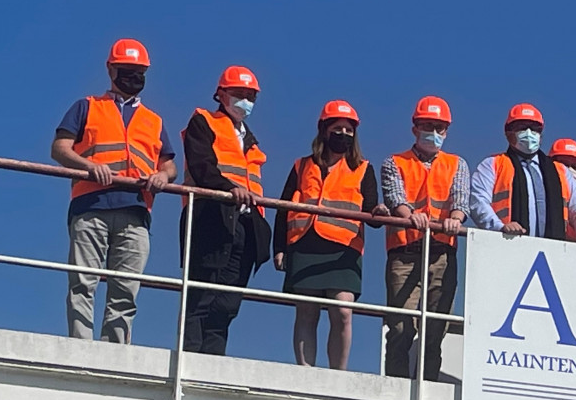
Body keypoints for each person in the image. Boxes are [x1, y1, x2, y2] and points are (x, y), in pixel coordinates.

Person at [51, 38, 176, 343]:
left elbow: (170, 166)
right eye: (128, 70)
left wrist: (163, 176)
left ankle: (114, 350)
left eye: (140, 71)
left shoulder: (153, 121)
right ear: (111, 69)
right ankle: (81, 345)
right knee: (83, 281)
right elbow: (59, 149)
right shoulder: (87, 107)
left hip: (135, 209)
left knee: (126, 286)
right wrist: (89, 165)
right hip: (91, 204)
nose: (135, 76)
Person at [273, 100, 386, 369]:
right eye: (338, 128)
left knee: (343, 311)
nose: (344, 135)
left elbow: (371, 209)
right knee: (306, 312)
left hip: (344, 249)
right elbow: (283, 208)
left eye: (349, 130)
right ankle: (306, 373)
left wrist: (380, 211)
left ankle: (338, 374)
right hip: (304, 243)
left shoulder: (363, 168)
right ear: (324, 130)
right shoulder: (301, 166)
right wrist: (279, 248)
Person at [180, 65, 271, 355]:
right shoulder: (204, 122)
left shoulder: (250, 140)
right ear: (221, 94)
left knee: (228, 302)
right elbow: (201, 164)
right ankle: (192, 359)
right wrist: (228, 188)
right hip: (211, 218)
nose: (245, 101)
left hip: (245, 226)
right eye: (239, 94)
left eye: (250, 95)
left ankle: (213, 362)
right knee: (201, 296)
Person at [380, 96, 470, 381]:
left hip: (442, 254)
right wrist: (410, 214)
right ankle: (395, 388)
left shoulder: (457, 164)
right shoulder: (394, 162)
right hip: (405, 252)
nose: (435, 132)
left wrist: (455, 219)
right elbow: (395, 197)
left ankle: (428, 388)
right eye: (429, 126)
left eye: (441, 127)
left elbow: (460, 200)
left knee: (436, 329)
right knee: (400, 328)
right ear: (415, 128)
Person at [468, 104, 576, 243]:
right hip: (505, 245)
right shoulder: (492, 165)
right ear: (508, 134)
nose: (529, 132)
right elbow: (478, 201)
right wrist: (500, 227)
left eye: (535, 128)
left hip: (553, 253)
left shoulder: (560, 172)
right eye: (522, 127)